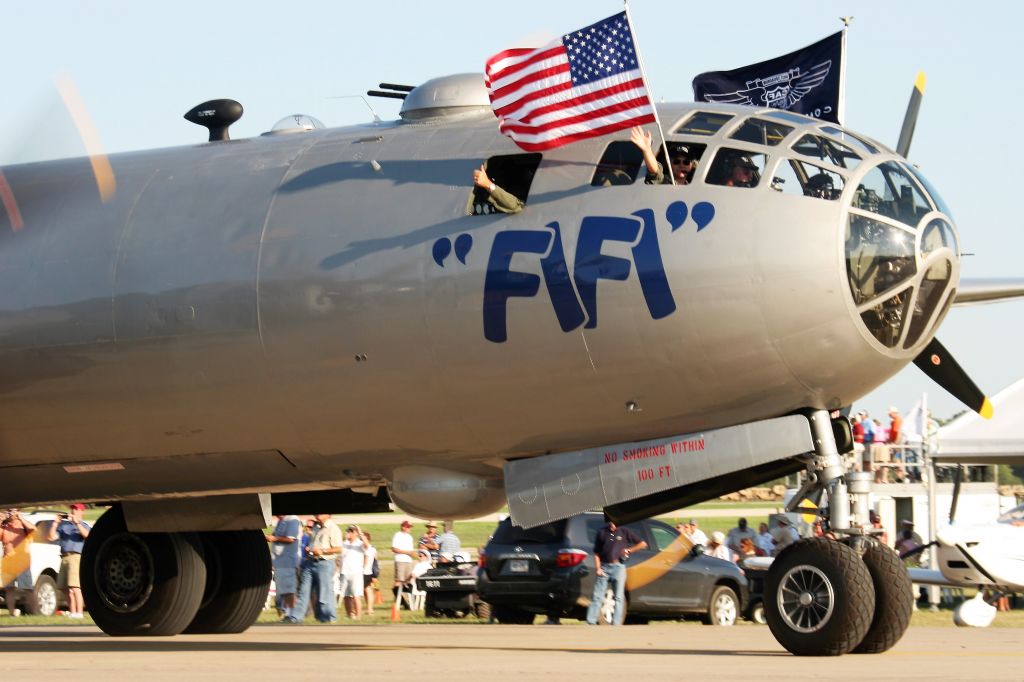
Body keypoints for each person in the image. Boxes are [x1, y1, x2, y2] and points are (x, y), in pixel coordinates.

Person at [585, 516, 646, 625]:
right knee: (597, 596)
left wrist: (629, 550)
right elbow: (596, 553)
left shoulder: (624, 531)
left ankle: (616, 623)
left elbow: (642, 544)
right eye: (611, 523)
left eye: (615, 523)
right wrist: (598, 568)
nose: (613, 525)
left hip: (619, 567)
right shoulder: (602, 532)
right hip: (604, 567)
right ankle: (591, 621)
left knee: (618, 597)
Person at [288, 513, 342, 623]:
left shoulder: (333, 528)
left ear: (328, 514)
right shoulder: (316, 527)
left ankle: (328, 617)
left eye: (321, 512)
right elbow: (313, 543)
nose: (317, 514)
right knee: (303, 591)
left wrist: (322, 551)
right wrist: (310, 549)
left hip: (325, 563)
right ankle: (295, 618)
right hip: (310, 561)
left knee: (324, 592)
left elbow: (339, 548)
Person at [47, 503, 91, 619]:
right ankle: (72, 611)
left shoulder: (84, 525)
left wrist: (77, 523)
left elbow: (87, 535)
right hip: (64, 557)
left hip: (76, 556)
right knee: (63, 587)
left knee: (75, 587)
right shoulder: (64, 526)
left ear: (82, 511)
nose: (73, 511)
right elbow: (51, 537)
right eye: (72, 509)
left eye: (76, 509)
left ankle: (79, 612)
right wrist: (55, 523)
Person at [629, 125, 696, 185]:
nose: (681, 165)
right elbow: (655, 171)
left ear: (691, 165)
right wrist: (647, 150)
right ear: (670, 163)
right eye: (676, 162)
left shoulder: (694, 187)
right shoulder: (663, 181)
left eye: (686, 162)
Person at [265, 514, 302, 620]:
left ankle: (293, 614)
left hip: (288, 560)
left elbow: (291, 539)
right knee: (284, 591)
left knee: (289, 590)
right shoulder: (281, 521)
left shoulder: (292, 519)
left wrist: (274, 538)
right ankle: (289, 614)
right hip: (280, 561)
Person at [1, 508, 36, 616]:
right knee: (9, 589)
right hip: (8, 561)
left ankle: (35, 612)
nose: (10, 512)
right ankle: (12, 613)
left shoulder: (23, 525)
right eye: (9, 510)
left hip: (22, 561)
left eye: (13, 510)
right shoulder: (5, 526)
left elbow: (33, 529)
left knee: (27, 588)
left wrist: (20, 517)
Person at [339, 524, 370, 619]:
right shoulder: (343, 543)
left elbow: (367, 546)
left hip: (355, 573)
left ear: (355, 533)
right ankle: (349, 615)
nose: (348, 533)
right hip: (344, 572)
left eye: (351, 531)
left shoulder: (359, 543)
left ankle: (358, 616)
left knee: (356, 596)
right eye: (348, 531)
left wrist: (360, 533)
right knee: (346, 596)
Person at [391, 520, 417, 604]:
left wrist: (413, 554)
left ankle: (408, 601)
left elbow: (411, 550)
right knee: (399, 580)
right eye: (407, 527)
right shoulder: (398, 535)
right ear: (403, 527)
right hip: (400, 560)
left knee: (408, 581)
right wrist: (408, 553)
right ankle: (400, 599)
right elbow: (394, 549)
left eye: (410, 527)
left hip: (408, 561)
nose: (409, 528)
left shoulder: (410, 537)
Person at [362, 531, 379, 615]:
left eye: (362, 538)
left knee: (368, 590)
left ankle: (370, 609)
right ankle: (369, 608)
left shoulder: (369, 549)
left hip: (366, 571)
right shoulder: (372, 549)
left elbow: (366, 561)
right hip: (368, 571)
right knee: (366, 590)